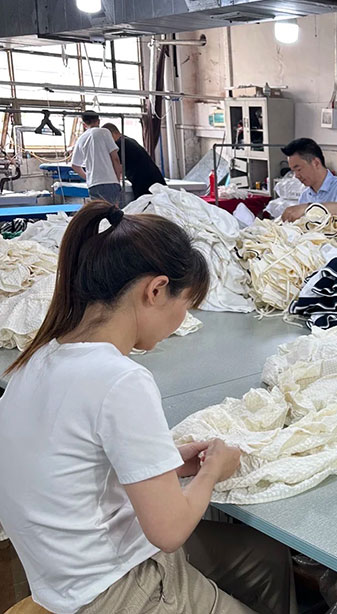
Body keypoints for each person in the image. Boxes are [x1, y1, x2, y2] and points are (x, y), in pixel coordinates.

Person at [0, 201, 297, 614]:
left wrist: (169, 463)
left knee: (264, 557)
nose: (183, 320)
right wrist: (212, 472)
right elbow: (169, 532)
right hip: (115, 589)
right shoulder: (120, 380)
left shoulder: (37, 360)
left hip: (66, 574)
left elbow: (71, 467)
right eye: (186, 306)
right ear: (156, 290)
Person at [279, 138, 337, 222]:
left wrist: (307, 208)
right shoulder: (305, 196)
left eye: (299, 169)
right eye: (293, 171)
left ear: (316, 163)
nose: (296, 176)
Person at [70, 112, 123, 206]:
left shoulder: (81, 139)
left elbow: (74, 165)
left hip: (93, 184)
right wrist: (117, 179)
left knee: (99, 212)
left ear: (84, 124)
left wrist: (88, 177)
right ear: (98, 121)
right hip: (109, 181)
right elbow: (115, 158)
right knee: (113, 212)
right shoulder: (104, 132)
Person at [102, 122, 166, 200]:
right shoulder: (128, 140)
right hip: (153, 179)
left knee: (146, 204)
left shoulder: (120, 144)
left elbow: (117, 166)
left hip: (144, 182)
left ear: (111, 135)